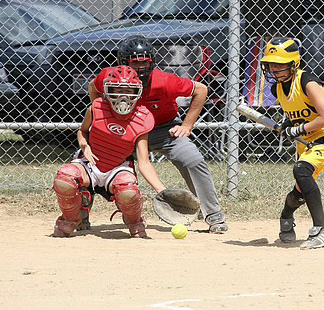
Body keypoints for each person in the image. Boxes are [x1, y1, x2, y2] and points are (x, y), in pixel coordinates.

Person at [88, 37, 227, 233]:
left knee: (192, 159)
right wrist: (103, 117)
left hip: (163, 129)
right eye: (135, 62)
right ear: (123, 62)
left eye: (144, 61)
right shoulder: (110, 77)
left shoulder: (164, 81)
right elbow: (93, 87)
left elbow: (201, 90)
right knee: (88, 162)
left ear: (152, 61)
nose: (141, 66)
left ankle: (213, 215)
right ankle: (79, 215)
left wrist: (186, 126)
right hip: (124, 129)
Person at [52, 66, 167, 238]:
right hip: (91, 164)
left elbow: (144, 162)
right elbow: (82, 131)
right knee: (65, 178)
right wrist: (85, 145)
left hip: (117, 167)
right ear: (107, 90)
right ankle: (71, 218)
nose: (123, 95)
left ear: (138, 91)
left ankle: (134, 221)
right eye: (117, 89)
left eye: (129, 90)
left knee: (128, 189)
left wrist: (162, 191)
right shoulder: (96, 108)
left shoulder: (143, 118)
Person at [261, 36, 324, 249]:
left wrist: (296, 129)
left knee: (301, 170)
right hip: (306, 136)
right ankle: (287, 215)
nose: (274, 68)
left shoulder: (307, 82)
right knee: (300, 188)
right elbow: (295, 112)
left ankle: (322, 230)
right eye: (271, 64)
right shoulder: (278, 88)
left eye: (280, 64)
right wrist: (287, 125)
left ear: (293, 63)